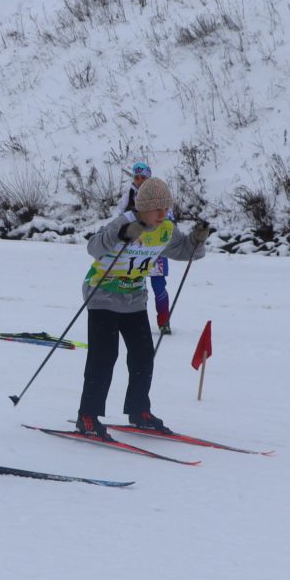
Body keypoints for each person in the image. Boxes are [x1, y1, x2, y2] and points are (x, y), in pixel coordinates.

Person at [75, 176, 211, 439]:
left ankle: (139, 411)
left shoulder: (165, 229)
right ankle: (87, 416)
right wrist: (121, 235)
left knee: (143, 355)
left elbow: (185, 252)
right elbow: (93, 247)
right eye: (158, 209)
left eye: (166, 208)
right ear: (142, 208)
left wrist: (197, 239)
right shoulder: (124, 222)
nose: (163, 214)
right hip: (103, 294)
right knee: (104, 357)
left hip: (134, 298)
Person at [118, 161, 175, 333]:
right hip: (136, 249)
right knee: (135, 286)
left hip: (156, 249)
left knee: (159, 286)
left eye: (143, 177)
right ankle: (136, 322)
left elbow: (169, 217)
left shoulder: (158, 192)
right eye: (137, 177)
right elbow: (119, 217)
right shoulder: (128, 195)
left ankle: (164, 321)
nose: (140, 180)